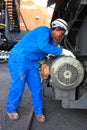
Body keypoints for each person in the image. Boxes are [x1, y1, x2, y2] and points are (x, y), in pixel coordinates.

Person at [6, 18, 75, 122]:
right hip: (19, 58)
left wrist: (44, 61)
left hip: (32, 62)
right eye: (61, 34)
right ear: (57, 28)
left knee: (37, 87)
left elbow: (41, 52)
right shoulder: (44, 30)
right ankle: (10, 109)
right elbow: (43, 47)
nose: (61, 37)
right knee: (18, 85)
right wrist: (62, 51)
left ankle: (39, 112)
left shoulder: (51, 42)